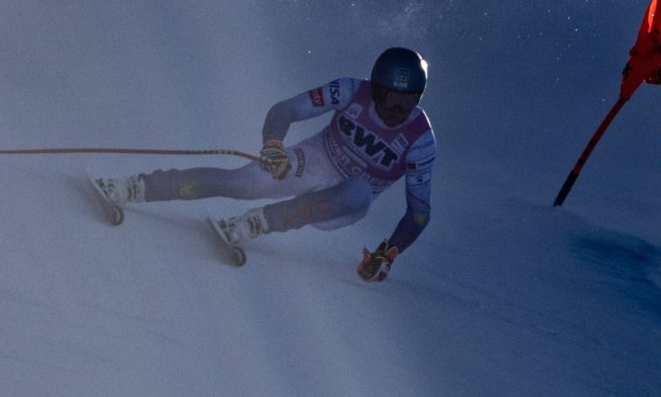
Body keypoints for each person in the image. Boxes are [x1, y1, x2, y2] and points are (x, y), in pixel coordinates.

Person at [97, 47, 436, 281]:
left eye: (410, 101)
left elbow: (419, 212)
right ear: (377, 90)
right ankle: (138, 187)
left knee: (359, 193)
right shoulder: (350, 89)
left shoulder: (421, 139)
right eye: (393, 99)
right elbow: (286, 110)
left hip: (347, 199)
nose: (399, 111)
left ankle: (260, 223)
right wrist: (273, 144)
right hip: (317, 158)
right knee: (241, 184)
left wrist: (388, 253)